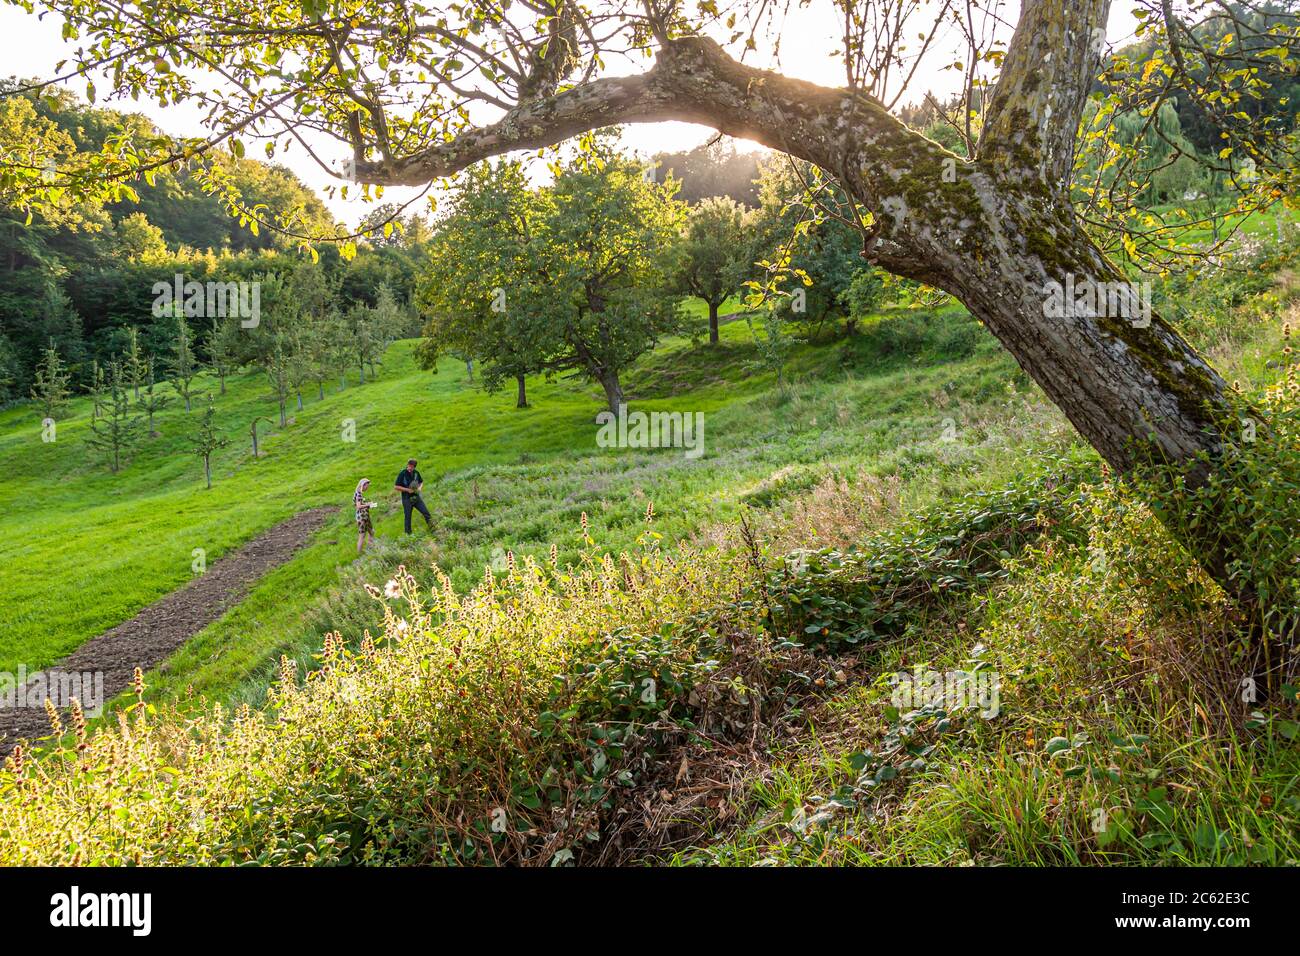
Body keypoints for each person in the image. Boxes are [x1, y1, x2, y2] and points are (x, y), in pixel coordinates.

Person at [394, 458, 433, 534]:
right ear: (407, 465)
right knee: (408, 518)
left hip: (416, 497)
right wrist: (407, 490)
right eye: (409, 466)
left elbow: (421, 482)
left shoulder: (416, 473)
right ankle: (408, 536)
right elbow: (396, 487)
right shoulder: (402, 473)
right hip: (406, 499)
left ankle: (433, 528)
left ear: (414, 467)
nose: (410, 468)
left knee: (426, 513)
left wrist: (419, 488)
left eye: (412, 467)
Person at [354, 478, 375, 555]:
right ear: (363, 485)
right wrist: (368, 505)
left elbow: (360, 504)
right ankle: (359, 554)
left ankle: (370, 548)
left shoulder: (359, 493)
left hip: (365, 516)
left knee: (371, 532)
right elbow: (359, 506)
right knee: (362, 536)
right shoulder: (358, 493)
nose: (367, 488)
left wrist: (367, 504)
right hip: (362, 517)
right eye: (367, 486)